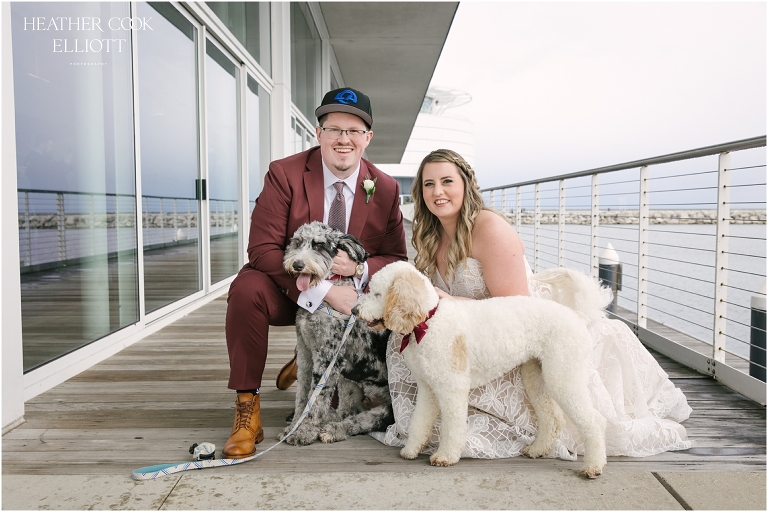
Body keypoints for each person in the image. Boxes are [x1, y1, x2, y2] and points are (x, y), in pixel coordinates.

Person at [371, 149, 693, 459]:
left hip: (516, 328)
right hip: (473, 331)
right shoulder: (431, 234)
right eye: (429, 184)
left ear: (466, 185)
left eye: (447, 181)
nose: (438, 191)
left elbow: (515, 307)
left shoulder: (490, 228)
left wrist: (452, 301)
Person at [224, 88, 408, 458]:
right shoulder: (284, 173)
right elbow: (262, 249)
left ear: (367, 138)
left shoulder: (384, 187)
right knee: (246, 289)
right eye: (334, 129)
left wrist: (358, 269)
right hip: (292, 289)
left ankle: (307, 349)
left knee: (341, 381)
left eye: (354, 131)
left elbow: (395, 257)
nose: (344, 139)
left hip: (350, 300)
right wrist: (323, 295)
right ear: (318, 133)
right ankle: (248, 407)